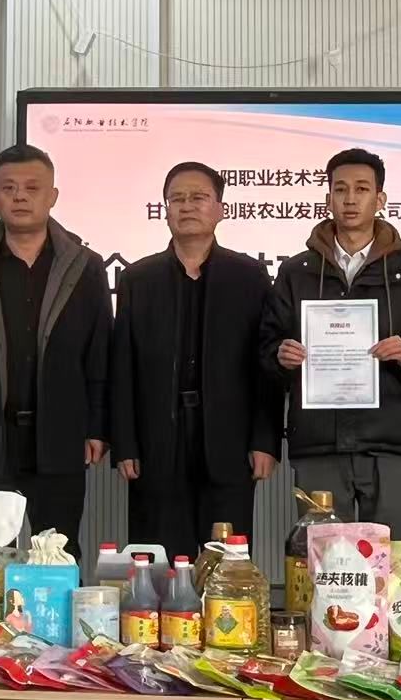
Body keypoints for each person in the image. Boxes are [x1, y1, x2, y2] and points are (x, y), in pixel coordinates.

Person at [260, 148, 401, 538]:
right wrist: (280, 356)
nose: (350, 199)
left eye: (362, 189)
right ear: (328, 198)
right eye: (341, 189)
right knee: (325, 558)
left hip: (389, 440)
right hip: (318, 443)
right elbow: (265, 346)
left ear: (380, 200)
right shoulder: (297, 271)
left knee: (389, 557)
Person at [0, 145, 110, 559]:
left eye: (32, 187)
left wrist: (97, 426)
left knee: (60, 554)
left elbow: (99, 353)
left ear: (53, 196)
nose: (20, 196)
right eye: (9, 188)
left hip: (60, 435)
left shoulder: (85, 266)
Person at [111, 162, 281, 558]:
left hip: (229, 441)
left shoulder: (249, 276)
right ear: (165, 210)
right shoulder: (139, 278)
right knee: (159, 560)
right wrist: (125, 443)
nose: (187, 206)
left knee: (225, 562)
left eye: (199, 198)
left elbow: (265, 367)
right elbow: (123, 366)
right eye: (177, 199)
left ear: (220, 209)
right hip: (156, 441)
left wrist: (264, 440)